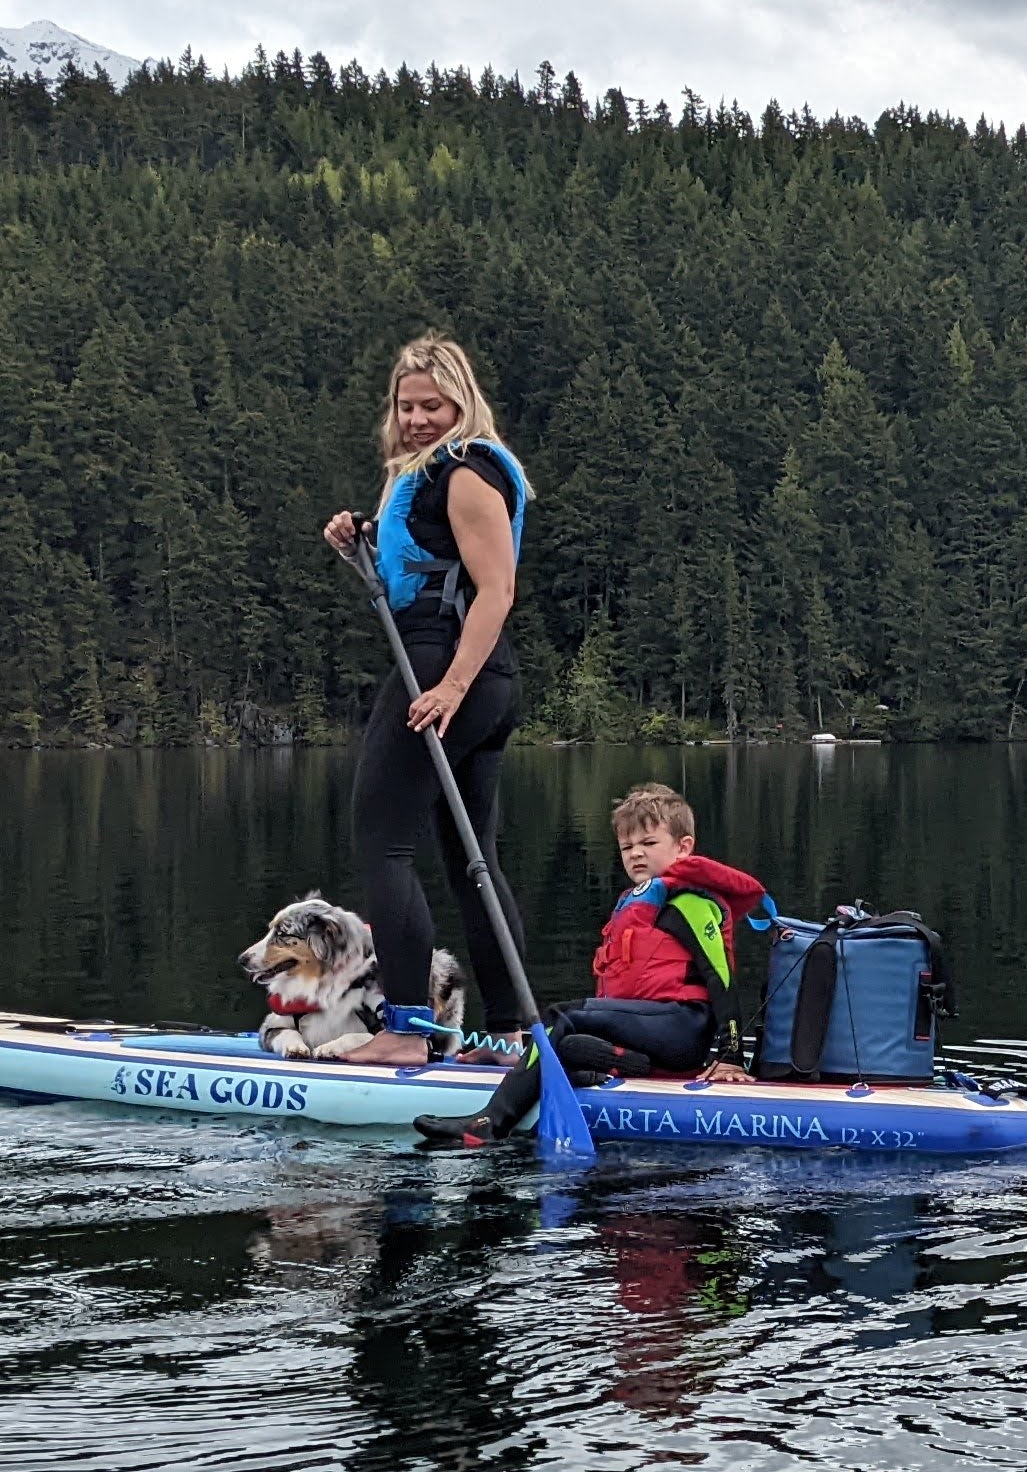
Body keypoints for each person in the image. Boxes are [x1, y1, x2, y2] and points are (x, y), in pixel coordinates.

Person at [320, 335, 530, 1061]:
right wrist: (359, 544)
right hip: (469, 674)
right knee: (471, 857)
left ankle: (405, 1032)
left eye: (431, 406)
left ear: (461, 403)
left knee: (383, 840)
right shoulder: (425, 479)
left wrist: (450, 688)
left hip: (450, 669)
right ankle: (506, 1035)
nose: (416, 419)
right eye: (407, 406)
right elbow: (420, 571)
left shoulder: (467, 474)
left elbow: (496, 589)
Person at [421, 781, 768, 1148]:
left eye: (649, 844)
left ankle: (490, 1122)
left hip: (682, 1029)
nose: (636, 854)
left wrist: (730, 1057)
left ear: (683, 848)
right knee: (568, 1044)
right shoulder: (638, 903)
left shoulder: (691, 902)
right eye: (627, 847)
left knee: (561, 1016)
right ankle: (586, 1073)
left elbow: (723, 979)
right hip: (650, 1040)